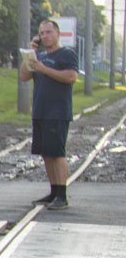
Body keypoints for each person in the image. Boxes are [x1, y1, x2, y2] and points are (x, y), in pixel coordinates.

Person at [20, 19, 79, 210]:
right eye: (42, 33)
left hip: (57, 111)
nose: (45, 36)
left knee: (57, 153)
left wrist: (44, 69)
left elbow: (71, 77)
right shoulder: (39, 56)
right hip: (40, 110)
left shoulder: (66, 54)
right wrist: (29, 55)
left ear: (57, 33)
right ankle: (53, 191)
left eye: (48, 32)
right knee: (46, 153)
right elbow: (24, 76)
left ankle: (62, 194)